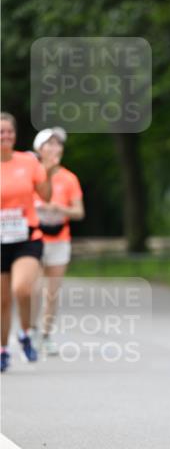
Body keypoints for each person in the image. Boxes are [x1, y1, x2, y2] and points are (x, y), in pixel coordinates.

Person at [1, 112, 56, 371]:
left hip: (27, 237)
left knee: (21, 289)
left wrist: (45, 169)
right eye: (1, 132)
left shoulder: (28, 161)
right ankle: (3, 349)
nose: (5, 136)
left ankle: (24, 333)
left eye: (9, 131)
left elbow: (45, 196)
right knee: (2, 301)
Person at [32, 127, 85, 355]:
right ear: (39, 149)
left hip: (59, 239)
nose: (55, 149)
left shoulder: (69, 178)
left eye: (58, 145)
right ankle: (30, 330)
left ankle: (45, 335)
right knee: (32, 289)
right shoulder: (31, 175)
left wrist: (58, 208)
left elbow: (79, 212)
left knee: (51, 292)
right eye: (50, 144)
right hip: (34, 239)